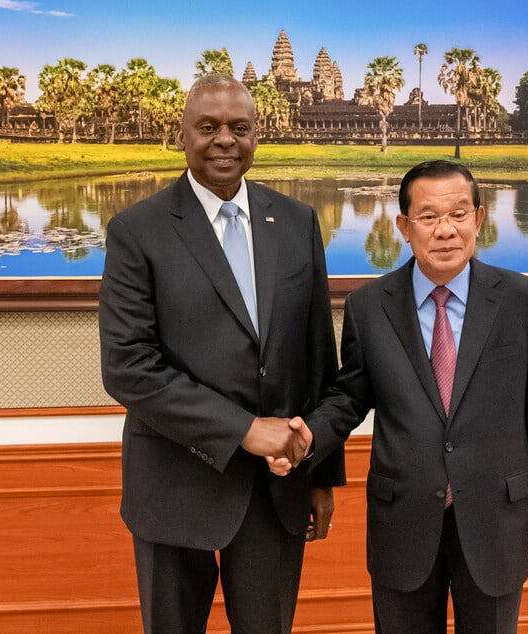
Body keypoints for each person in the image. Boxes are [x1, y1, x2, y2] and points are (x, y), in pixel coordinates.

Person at [278, 160, 528, 633]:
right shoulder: (370, 306)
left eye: (459, 214)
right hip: (404, 516)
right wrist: (306, 435)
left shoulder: (521, 299)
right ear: (403, 226)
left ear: (479, 218)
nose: (446, 231)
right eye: (429, 217)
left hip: (497, 515)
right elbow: (350, 396)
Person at [98, 75, 344, 633]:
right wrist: (243, 430)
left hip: (276, 488)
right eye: (207, 127)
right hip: (173, 483)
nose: (224, 140)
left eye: (239, 127)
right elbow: (128, 368)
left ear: (258, 136)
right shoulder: (137, 231)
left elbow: (316, 359)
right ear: (181, 136)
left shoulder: (299, 222)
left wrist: (322, 475)